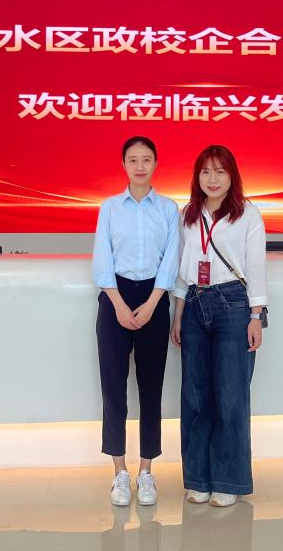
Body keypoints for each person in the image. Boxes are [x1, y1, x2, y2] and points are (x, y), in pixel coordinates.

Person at [170, 144, 267, 507]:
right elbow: (183, 269)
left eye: (220, 171)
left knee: (230, 395)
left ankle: (228, 481)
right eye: (206, 171)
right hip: (195, 303)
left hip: (233, 306)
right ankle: (198, 478)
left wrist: (256, 316)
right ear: (197, 176)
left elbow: (256, 268)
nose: (213, 179)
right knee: (195, 395)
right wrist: (178, 315)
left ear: (232, 176)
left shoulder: (248, 214)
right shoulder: (188, 215)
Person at [92, 136, 180, 507]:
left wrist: (152, 303)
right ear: (123, 165)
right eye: (133, 160)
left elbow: (171, 260)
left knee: (150, 390)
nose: (140, 166)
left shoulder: (169, 209)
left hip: (154, 300)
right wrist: (118, 304)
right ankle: (119, 473)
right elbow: (102, 259)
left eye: (146, 159)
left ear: (156, 164)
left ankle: (146, 471)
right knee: (113, 389)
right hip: (115, 298)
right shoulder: (110, 208)